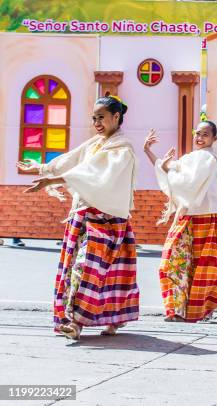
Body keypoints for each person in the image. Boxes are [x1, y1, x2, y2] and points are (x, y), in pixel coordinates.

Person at [18, 95, 139, 340]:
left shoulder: (121, 149)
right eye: (94, 118)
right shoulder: (96, 143)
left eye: (102, 117)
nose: (97, 122)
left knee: (93, 270)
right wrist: (43, 168)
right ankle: (75, 322)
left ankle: (99, 320)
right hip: (84, 216)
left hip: (108, 220)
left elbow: (94, 176)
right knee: (80, 269)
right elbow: (71, 160)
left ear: (116, 117)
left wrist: (54, 179)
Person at [144, 121, 217, 322]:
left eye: (205, 134)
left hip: (207, 216)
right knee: (176, 262)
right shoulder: (193, 158)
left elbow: (183, 181)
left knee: (198, 267)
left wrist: (168, 167)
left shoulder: (205, 158)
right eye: (197, 133)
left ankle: (188, 311)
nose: (200, 137)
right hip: (191, 215)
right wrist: (148, 151)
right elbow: (169, 170)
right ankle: (176, 309)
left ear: (214, 139)